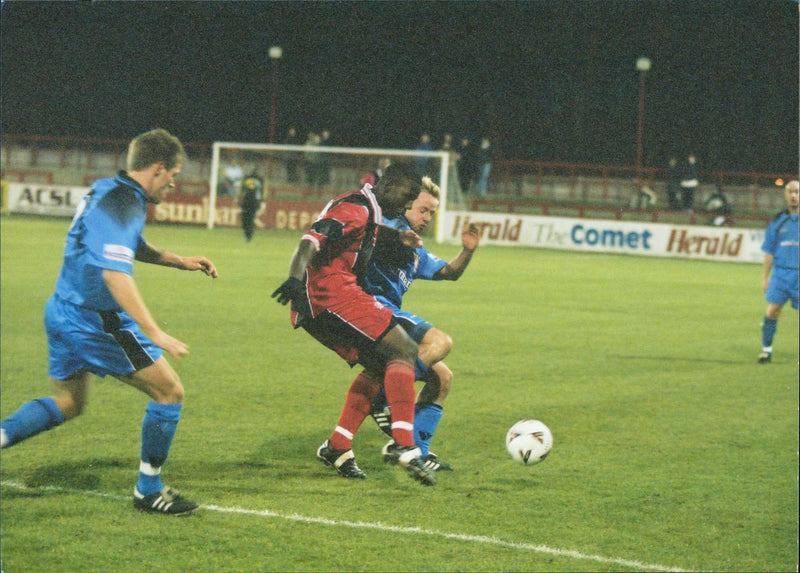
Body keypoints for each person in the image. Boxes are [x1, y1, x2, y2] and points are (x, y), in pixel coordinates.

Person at [0, 129, 218, 515]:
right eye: (174, 175)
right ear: (157, 168)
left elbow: (128, 245)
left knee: (68, 403)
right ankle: (148, 490)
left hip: (62, 309)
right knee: (170, 391)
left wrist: (180, 260)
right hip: (94, 323)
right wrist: (155, 332)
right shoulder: (124, 203)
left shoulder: (108, 189)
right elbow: (115, 275)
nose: (174, 184)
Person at [271, 162, 436, 486]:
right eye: (407, 197)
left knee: (380, 365)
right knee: (403, 347)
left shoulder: (366, 210)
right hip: (329, 294)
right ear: (389, 185)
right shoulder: (356, 207)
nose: (406, 205)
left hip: (328, 297)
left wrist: (396, 235)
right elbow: (311, 239)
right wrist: (293, 279)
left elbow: (365, 229)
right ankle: (404, 445)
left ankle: (338, 446)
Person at [364, 176, 481, 471]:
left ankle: (417, 451)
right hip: (370, 311)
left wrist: (467, 251)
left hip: (389, 317)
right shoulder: (390, 230)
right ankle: (381, 397)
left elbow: (448, 272)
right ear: (405, 205)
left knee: (442, 378)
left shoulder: (414, 247)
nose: (427, 218)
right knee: (440, 342)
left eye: (432, 213)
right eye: (423, 210)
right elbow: (369, 229)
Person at [757, 179, 799, 363]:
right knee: (772, 311)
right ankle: (766, 351)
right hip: (781, 274)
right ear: (785, 195)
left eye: (797, 192)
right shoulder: (777, 221)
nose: (793, 195)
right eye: (790, 192)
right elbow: (769, 252)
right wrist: (765, 278)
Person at [239, 167, 264, 241]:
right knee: (249, 218)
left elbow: (242, 190)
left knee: (248, 218)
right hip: (251, 201)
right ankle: (248, 234)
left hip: (251, 201)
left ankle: (248, 235)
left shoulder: (250, 179)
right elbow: (242, 190)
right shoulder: (259, 180)